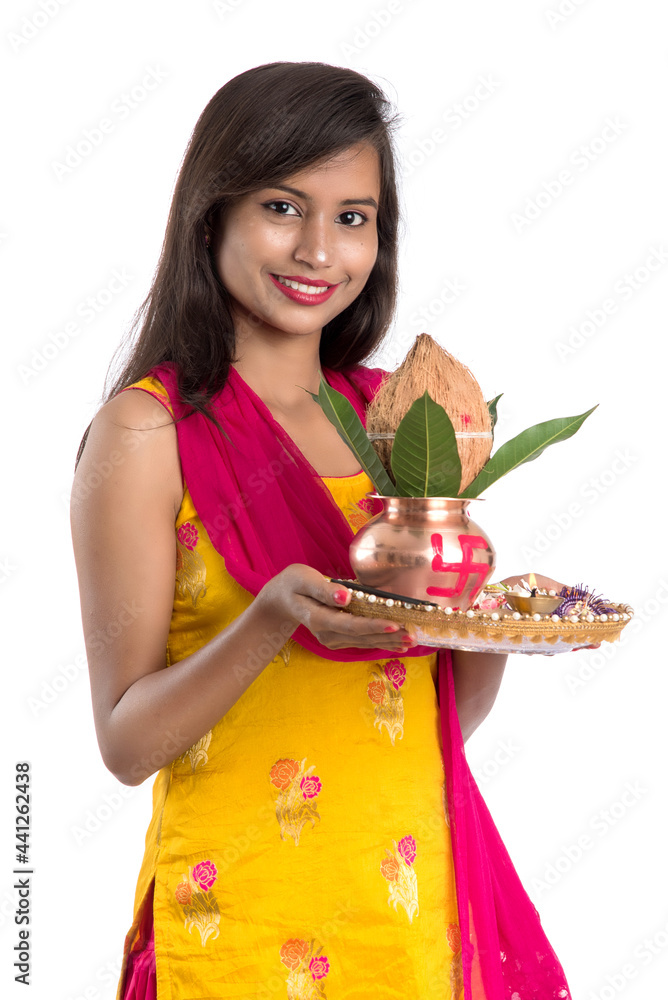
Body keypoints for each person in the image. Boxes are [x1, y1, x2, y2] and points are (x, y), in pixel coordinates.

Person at [70, 62, 573, 1000]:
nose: (317, 250)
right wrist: (271, 621)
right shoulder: (147, 435)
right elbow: (125, 745)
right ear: (210, 214)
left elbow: (423, 722)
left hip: (414, 921)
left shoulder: (397, 417)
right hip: (240, 932)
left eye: (353, 217)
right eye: (281, 206)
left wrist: (493, 630)